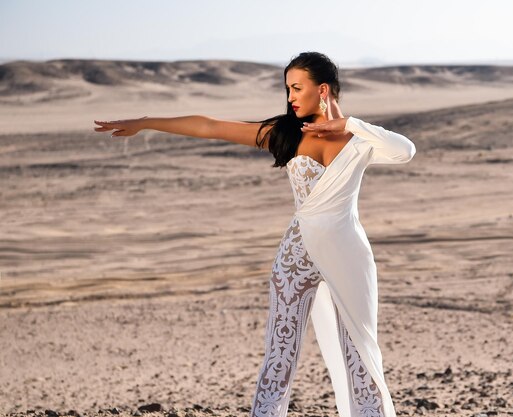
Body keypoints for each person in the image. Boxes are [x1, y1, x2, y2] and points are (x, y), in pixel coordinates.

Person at [94, 51, 415, 417]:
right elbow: (211, 126)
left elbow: (406, 150)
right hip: (296, 257)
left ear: (322, 90)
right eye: (287, 89)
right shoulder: (285, 134)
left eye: (297, 88)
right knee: (279, 358)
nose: (290, 97)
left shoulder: (360, 140)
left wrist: (352, 125)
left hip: (349, 256)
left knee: (361, 354)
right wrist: (147, 122)